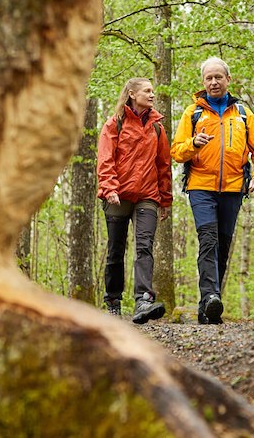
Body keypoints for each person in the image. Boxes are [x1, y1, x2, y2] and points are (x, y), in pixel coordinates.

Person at [170, 57, 254, 324]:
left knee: (223, 246)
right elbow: (177, 151)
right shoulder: (193, 113)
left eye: (218, 77)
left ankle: (207, 308)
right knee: (208, 241)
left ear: (228, 80)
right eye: (208, 78)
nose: (213, 82)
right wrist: (194, 143)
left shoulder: (243, 114)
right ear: (203, 82)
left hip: (233, 188)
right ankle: (211, 296)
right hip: (201, 186)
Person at [96, 78, 172, 324]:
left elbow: (163, 165)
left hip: (148, 195)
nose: (152, 95)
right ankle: (113, 300)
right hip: (117, 195)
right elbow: (105, 159)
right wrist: (109, 188)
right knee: (116, 250)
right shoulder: (114, 124)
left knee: (144, 246)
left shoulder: (157, 128)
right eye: (147, 91)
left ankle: (143, 300)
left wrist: (166, 199)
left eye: (153, 91)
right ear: (132, 93)